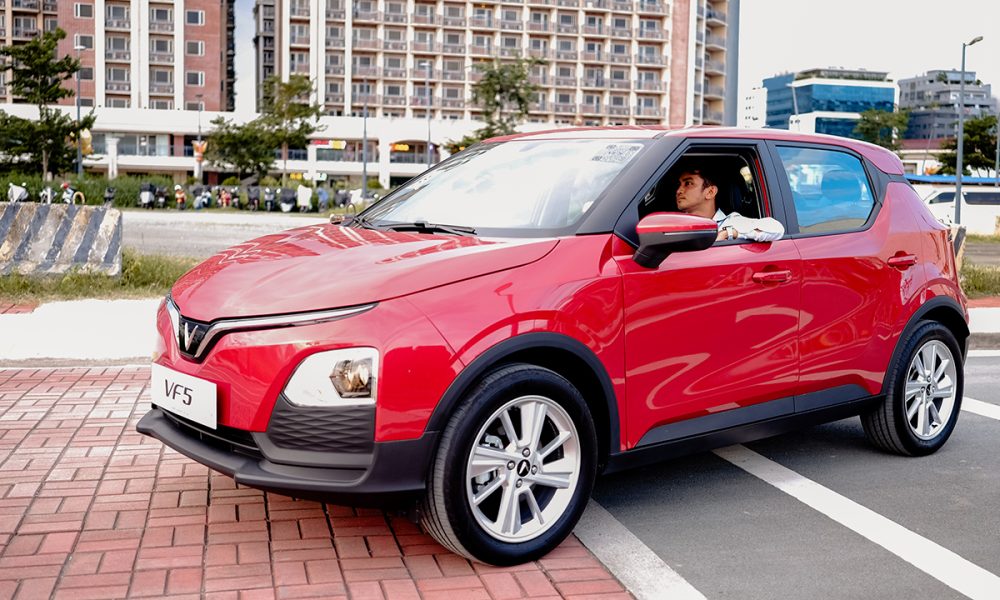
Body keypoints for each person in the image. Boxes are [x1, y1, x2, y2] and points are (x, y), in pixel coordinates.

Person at [675, 165, 784, 242]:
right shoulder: (674, 225)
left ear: (710, 192)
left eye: (688, 183)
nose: (679, 190)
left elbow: (777, 229)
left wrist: (728, 232)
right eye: (679, 184)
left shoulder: (730, 223)